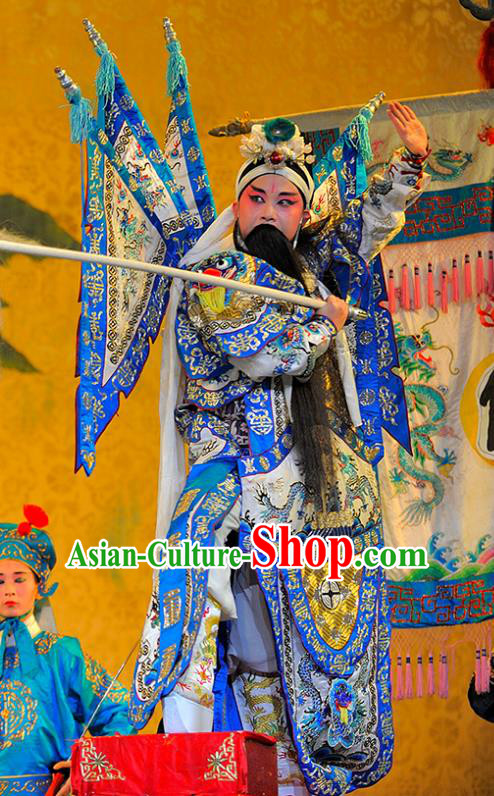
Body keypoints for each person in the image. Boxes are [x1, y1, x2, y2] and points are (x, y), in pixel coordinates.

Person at [131, 101, 429, 795]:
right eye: (256, 197)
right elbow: (272, 353)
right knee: (231, 638)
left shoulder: (311, 269)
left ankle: (309, 775)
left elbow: (363, 230)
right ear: (236, 209)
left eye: (286, 200)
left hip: (318, 501)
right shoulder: (215, 284)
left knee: (324, 653)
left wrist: (407, 165)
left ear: (301, 214)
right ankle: (221, 766)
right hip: (238, 489)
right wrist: (322, 324)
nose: (270, 209)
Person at [0, 504, 136, 796]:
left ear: (40, 584)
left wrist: (85, 767)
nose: (9, 590)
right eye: (0, 581)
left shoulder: (62, 654)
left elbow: (121, 713)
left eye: (19, 579)